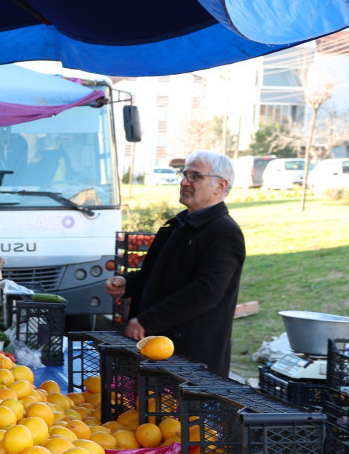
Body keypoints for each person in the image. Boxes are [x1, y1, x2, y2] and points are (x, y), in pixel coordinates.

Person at [105, 150, 245, 377]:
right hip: (159, 351)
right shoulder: (180, 224)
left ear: (220, 186)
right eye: (184, 174)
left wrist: (147, 321)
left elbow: (207, 291)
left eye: (195, 177)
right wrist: (127, 282)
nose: (184, 182)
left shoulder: (224, 232)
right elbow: (160, 274)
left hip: (190, 361)